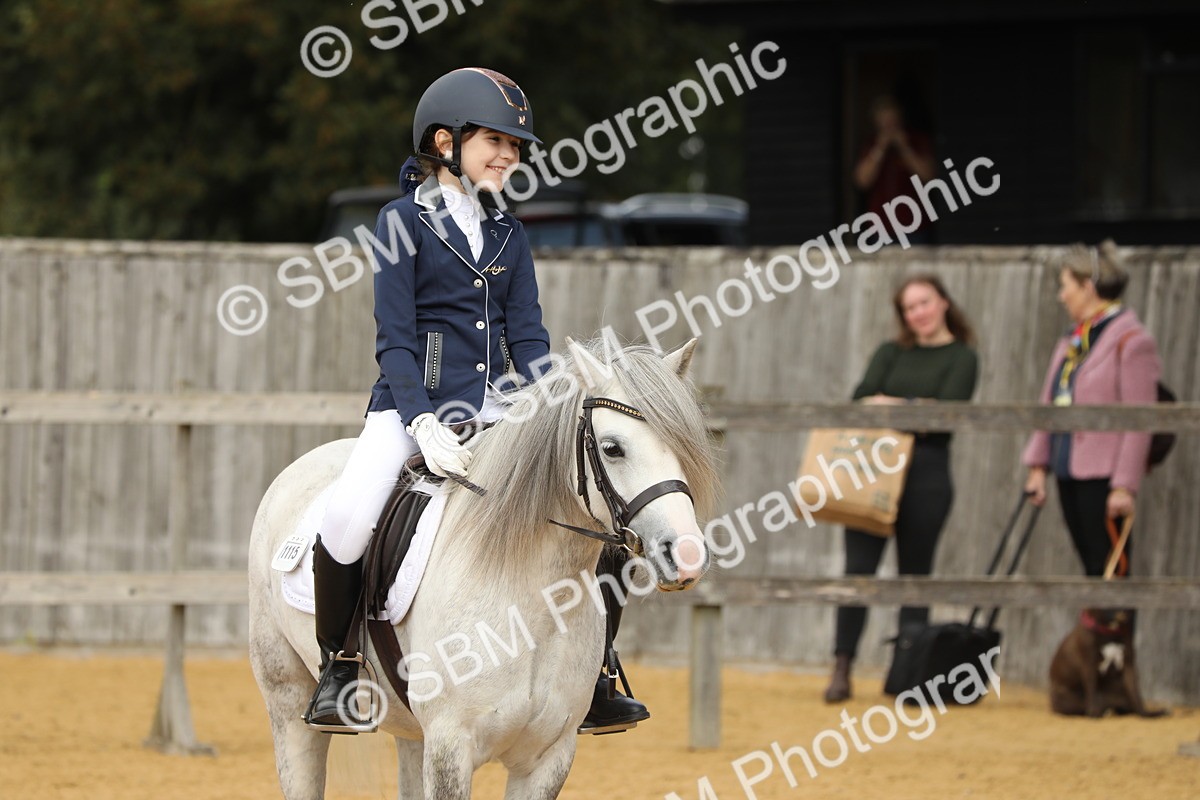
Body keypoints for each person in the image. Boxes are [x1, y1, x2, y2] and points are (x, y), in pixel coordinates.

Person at [304, 67, 645, 735]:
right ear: (445, 139)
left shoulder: (511, 234)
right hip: (411, 410)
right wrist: (420, 419)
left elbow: (529, 337)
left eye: (516, 148)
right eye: (497, 141)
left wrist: (548, 408)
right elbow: (395, 341)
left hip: (502, 414)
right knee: (347, 516)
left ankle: (598, 672)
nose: (509, 157)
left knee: (599, 512)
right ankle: (339, 667)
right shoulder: (399, 222)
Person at [824, 274, 979, 703]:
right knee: (858, 573)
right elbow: (859, 400)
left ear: (943, 302)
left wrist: (889, 404)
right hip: (873, 467)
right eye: (909, 308)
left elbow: (945, 415)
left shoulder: (962, 358)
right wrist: (913, 410)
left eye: (924, 303)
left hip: (926, 475)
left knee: (915, 578)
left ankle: (908, 673)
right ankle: (842, 666)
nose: (918, 314)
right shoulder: (891, 352)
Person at [1022, 241, 1161, 578]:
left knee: (1111, 569)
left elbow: (1140, 419)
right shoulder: (1075, 338)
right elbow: (1052, 400)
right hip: (1068, 465)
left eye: (1065, 286)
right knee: (1090, 568)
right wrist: (1038, 466)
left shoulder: (1131, 340)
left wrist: (1124, 486)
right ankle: (1100, 629)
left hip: (1104, 474)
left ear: (1087, 287)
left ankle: (1113, 632)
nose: (1061, 295)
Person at [853, 95, 936, 243]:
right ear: (876, 121)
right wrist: (880, 148)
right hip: (880, 229)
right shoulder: (870, 145)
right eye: (885, 122)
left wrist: (905, 148)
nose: (889, 127)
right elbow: (862, 181)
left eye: (892, 121)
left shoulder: (916, 140)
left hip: (915, 226)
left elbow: (928, 175)